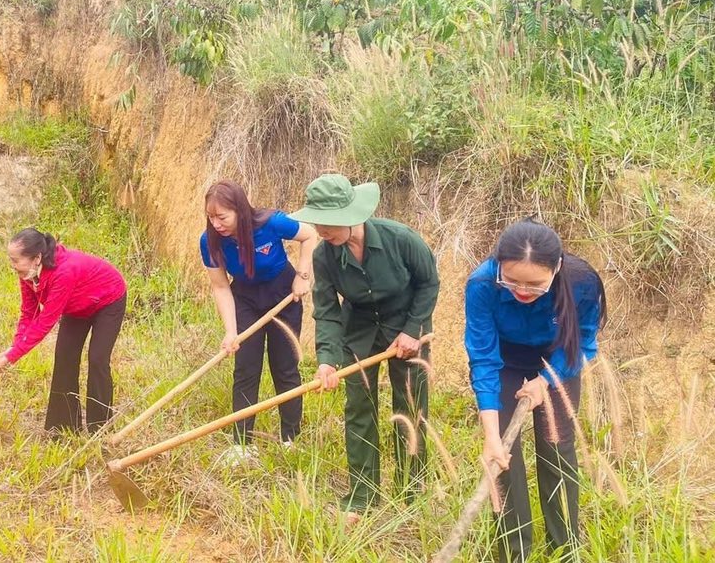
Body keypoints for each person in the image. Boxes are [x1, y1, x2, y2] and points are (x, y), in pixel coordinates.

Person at [291, 174, 439, 517]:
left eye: (328, 224)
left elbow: (429, 283)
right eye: (318, 223)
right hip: (358, 328)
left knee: (410, 405)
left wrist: (413, 329)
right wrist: (327, 359)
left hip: (406, 324)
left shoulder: (400, 239)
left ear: (350, 215)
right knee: (359, 407)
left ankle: (412, 495)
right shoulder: (324, 256)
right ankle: (363, 494)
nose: (321, 231)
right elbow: (326, 311)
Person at [465, 218, 606, 562]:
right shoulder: (482, 284)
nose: (523, 291)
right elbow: (483, 358)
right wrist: (491, 434)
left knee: (557, 450)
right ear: (499, 266)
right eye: (511, 281)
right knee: (503, 457)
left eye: (535, 285)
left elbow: (583, 344)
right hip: (507, 361)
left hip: (559, 359)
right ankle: (514, 553)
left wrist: (546, 381)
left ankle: (564, 549)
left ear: (556, 268)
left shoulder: (583, 284)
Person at [200, 180, 318, 459]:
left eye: (222, 217)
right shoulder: (209, 242)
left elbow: (310, 235)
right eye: (210, 217)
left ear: (240, 210)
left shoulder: (270, 223)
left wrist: (302, 277)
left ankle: (290, 438)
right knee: (246, 369)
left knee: (285, 367)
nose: (216, 223)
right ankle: (242, 444)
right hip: (245, 299)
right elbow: (220, 287)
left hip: (283, 294)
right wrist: (231, 332)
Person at [0, 228, 127, 434]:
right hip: (77, 304)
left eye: (15, 260)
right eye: (11, 260)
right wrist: (15, 345)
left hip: (107, 299)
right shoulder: (26, 273)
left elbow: (45, 321)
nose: (13, 265)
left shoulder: (64, 271)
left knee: (98, 359)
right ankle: (64, 426)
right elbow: (28, 312)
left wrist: (12, 356)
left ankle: (100, 428)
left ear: (37, 258)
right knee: (64, 356)